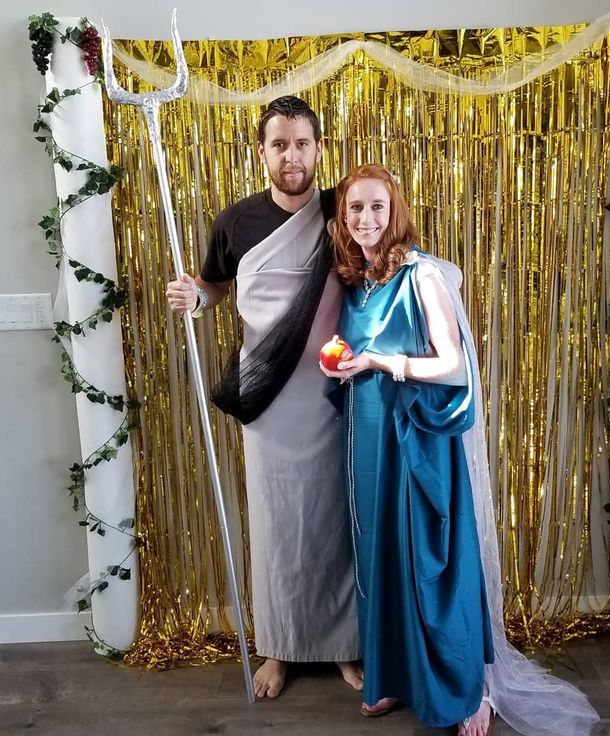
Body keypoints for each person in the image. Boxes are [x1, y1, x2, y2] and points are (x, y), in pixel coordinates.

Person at [320, 164, 600, 736]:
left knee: (431, 562)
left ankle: (469, 689)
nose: (366, 218)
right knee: (382, 557)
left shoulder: (420, 275)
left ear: (394, 211)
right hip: (370, 441)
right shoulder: (356, 278)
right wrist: (347, 362)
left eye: (377, 207)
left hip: (418, 440)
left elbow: (452, 367)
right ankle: (395, 675)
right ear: (342, 218)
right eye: (355, 208)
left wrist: (376, 361)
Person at [166, 96, 361, 699]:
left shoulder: (341, 213)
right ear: (262, 152)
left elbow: (383, 267)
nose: (292, 156)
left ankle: (343, 648)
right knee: (276, 524)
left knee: (336, 522)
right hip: (267, 398)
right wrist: (196, 298)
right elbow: (217, 285)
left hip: (334, 394)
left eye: (302, 143)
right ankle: (276, 649)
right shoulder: (235, 223)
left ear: (320, 149)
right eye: (279, 144)